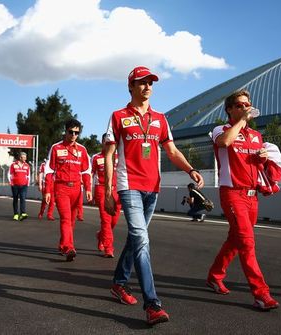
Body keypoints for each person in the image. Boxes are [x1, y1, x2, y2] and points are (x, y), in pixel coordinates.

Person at [104, 66, 204, 325]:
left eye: (151, 83)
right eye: (142, 83)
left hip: (153, 188)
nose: (147, 87)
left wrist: (190, 169)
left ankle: (118, 283)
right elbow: (108, 155)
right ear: (131, 86)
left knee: (136, 239)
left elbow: (171, 151)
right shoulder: (118, 116)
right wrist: (108, 190)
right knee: (142, 239)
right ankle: (152, 304)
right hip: (129, 185)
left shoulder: (160, 118)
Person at [206, 89, 279, 311]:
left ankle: (214, 275)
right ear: (229, 109)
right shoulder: (222, 129)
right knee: (247, 243)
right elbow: (224, 143)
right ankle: (261, 294)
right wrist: (241, 121)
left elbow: (255, 164)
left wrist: (262, 158)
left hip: (251, 195)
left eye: (247, 104)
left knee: (236, 240)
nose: (245, 108)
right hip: (232, 193)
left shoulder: (256, 136)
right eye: (239, 105)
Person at [44, 119, 92, 262]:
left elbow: (86, 171)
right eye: (70, 132)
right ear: (65, 131)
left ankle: (62, 244)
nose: (73, 135)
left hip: (77, 189)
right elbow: (49, 170)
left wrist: (88, 189)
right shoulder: (56, 148)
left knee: (71, 221)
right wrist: (47, 190)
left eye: (76, 133)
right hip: (61, 188)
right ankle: (69, 248)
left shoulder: (82, 150)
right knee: (65, 219)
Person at [92, 134, 121, 258]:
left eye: (111, 142)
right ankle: (109, 248)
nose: (108, 144)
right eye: (106, 141)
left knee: (114, 220)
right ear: (102, 142)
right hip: (102, 189)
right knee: (106, 220)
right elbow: (90, 174)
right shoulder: (96, 157)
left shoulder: (119, 157)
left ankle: (101, 235)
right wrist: (89, 191)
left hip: (117, 190)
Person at [8, 152, 31, 221]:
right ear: (20, 158)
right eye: (23, 157)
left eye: (25, 157)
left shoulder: (27, 165)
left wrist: (28, 183)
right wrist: (11, 182)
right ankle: (16, 214)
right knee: (15, 199)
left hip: (24, 185)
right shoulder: (13, 165)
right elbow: (9, 174)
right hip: (15, 185)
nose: (25, 159)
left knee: (23, 198)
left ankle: (23, 213)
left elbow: (28, 175)